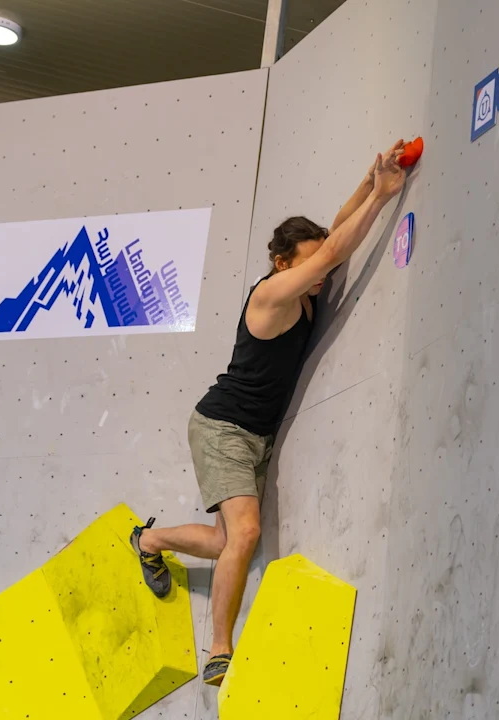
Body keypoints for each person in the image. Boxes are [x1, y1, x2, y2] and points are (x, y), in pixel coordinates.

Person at [129, 138, 409, 686]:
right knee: (247, 532)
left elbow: (334, 235)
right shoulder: (270, 297)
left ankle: (148, 541)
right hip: (223, 427)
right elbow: (332, 251)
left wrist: (369, 179)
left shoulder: (304, 288)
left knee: (224, 542)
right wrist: (381, 198)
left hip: (254, 435)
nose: (322, 276)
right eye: (308, 265)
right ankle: (219, 649)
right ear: (282, 265)